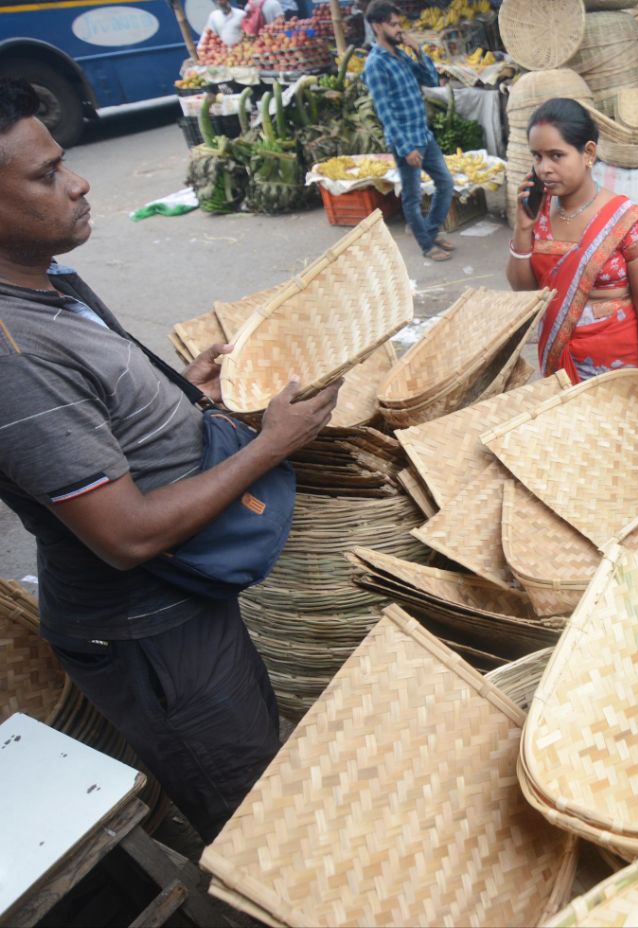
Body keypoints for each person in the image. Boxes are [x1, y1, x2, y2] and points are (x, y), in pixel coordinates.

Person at [0, 79, 341, 841]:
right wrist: (270, 445)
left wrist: (177, 395)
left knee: (257, 764)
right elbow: (124, 535)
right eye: (46, 175)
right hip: (148, 633)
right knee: (253, 823)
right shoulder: (11, 352)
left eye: (65, 162)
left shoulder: (44, 279)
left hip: (183, 608)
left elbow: (88, 418)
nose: (79, 182)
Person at [506, 99, 638, 382]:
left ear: (588, 153)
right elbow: (525, 291)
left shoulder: (627, 221)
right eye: (537, 156)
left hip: (620, 369)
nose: (544, 168)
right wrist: (522, 230)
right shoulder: (538, 217)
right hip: (560, 366)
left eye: (556, 155)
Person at [362, 0, 455, 263]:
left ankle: (432, 230)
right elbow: (385, 112)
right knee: (413, 197)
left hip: (423, 134)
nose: (399, 30)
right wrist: (406, 148)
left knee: (445, 183)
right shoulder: (375, 64)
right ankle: (427, 245)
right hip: (406, 141)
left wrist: (417, 49)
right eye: (393, 25)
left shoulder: (400, 54)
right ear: (377, 26)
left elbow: (431, 80)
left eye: (400, 24)